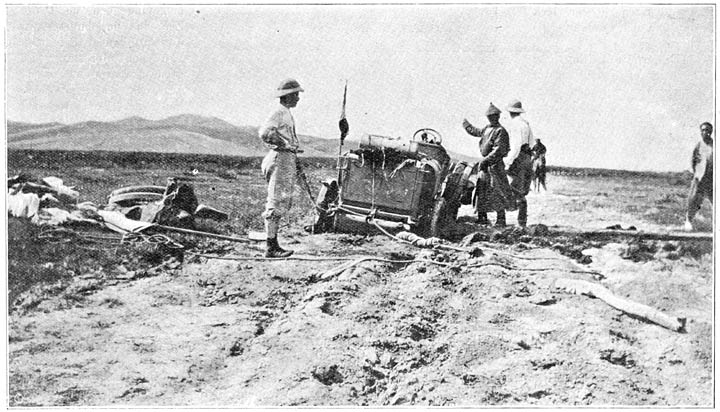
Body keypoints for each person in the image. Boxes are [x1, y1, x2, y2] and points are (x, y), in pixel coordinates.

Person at [258, 78, 304, 257]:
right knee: (275, 202)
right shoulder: (279, 112)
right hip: (280, 158)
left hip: (286, 158)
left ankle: (273, 244)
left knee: (280, 201)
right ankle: (271, 247)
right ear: (288, 96)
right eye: (296, 95)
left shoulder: (285, 113)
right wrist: (283, 144)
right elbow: (265, 132)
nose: (298, 98)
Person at [463, 103, 515, 227]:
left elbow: (498, 150)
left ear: (498, 116)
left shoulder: (500, 131)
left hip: (495, 165)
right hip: (485, 165)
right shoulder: (487, 128)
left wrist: (486, 160)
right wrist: (466, 125)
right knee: (481, 190)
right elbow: (476, 132)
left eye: (494, 116)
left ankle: (501, 219)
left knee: (497, 191)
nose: (492, 118)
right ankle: (482, 217)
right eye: (490, 117)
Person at [504, 99, 535, 227]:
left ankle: (519, 222)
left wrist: (508, 162)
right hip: (527, 157)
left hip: (518, 158)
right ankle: (522, 221)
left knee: (513, 188)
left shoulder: (515, 125)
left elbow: (516, 147)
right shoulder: (526, 124)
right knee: (521, 189)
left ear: (510, 112)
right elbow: (532, 143)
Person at [684, 122, 713, 231]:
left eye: (708, 130)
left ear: (711, 132)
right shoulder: (698, 145)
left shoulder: (715, 145)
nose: (706, 132)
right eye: (703, 130)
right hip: (699, 178)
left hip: (712, 178)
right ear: (701, 132)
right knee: (694, 200)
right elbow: (693, 160)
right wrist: (696, 173)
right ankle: (688, 221)